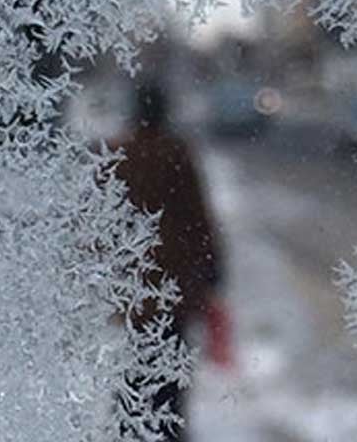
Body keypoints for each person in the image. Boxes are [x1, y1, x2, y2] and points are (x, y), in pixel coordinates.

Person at [110, 79, 224, 441]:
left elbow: (103, 219)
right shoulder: (176, 153)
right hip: (173, 286)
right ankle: (166, 431)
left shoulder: (120, 154)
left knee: (137, 365)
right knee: (170, 372)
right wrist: (212, 270)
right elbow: (198, 217)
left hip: (134, 285)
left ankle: (132, 429)